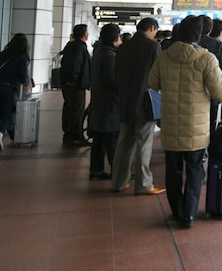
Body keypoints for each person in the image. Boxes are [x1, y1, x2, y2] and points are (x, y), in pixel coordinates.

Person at [149, 15, 222, 229]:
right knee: (194, 169)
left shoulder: (164, 57)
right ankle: (189, 215)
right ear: (199, 35)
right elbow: (220, 94)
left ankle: (177, 211)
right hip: (197, 126)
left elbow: (152, 82)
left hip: (171, 124)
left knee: (173, 171)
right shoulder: (207, 58)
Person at [112, 17, 165, 196]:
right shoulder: (152, 47)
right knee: (143, 143)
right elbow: (159, 74)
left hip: (125, 101)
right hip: (144, 102)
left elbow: (116, 74)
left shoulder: (123, 47)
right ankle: (144, 184)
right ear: (151, 28)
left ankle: (119, 181)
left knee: (124, 143)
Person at [0, 33, 32, 151]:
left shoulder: (1, 54)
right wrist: (26, 84)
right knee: (6, 115)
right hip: (9, 89)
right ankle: (0, 134)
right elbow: (23, 74)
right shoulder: (23, 57)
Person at [89, 23, 121, 180]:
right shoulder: (110, 56)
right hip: (109, 105)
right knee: (112, 140)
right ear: (115, 38)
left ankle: (96, 170)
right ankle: (118, 171)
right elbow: (112, 80)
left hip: (99, 102)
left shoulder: (99, 52)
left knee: (99, 140)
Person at [197, 16, 222, 123]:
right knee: (212, 125)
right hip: (212, 94)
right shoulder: (217, 45)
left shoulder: (192, 43)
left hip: (193, 93)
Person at [59, 24, 90, 146]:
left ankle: (68, 134)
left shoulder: (71, 45)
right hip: (75, 85)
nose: (87, 34)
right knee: (77, 110)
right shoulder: (80, 47)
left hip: (68, 84)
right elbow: (76, 64)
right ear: (83, 34)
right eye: (86, 32)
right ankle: (76, 136)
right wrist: (73, 79)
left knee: (69, 107)